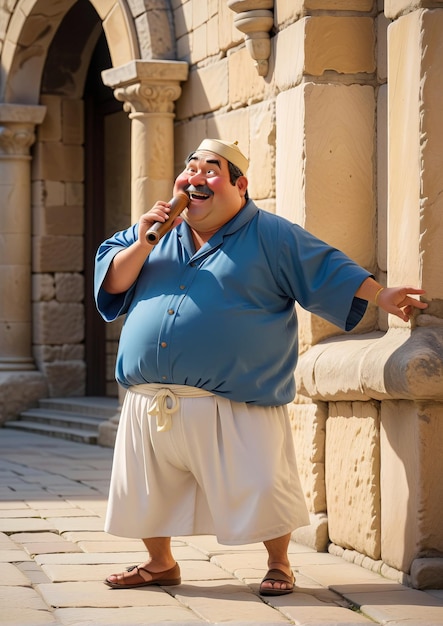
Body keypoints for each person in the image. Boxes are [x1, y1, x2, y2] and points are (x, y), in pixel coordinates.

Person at [94, 138, 427, 596]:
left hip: (236, 397)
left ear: (240, 184)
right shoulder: (148, 233)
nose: (195, 177)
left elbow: (324, 266)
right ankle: (159, 562)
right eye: (189, 169)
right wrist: (144, 238)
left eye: (210, 169)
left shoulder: (270, 234)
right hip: (151, 399)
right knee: (148, 489)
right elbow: (112, 280)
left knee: (263, 484)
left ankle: (279, 563)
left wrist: (381, 295)